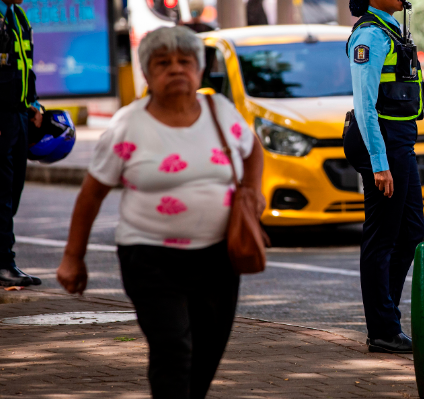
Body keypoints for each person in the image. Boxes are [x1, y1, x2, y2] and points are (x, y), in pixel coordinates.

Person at [55, 26, 266, 398]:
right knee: (172, 348)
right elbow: (91, 195)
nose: (175, 70)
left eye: (185, 62)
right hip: (150, 258)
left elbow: (253, 151)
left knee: (207, 353)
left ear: (199, 70)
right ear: (148, 75)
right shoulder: (127, 125)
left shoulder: (220, 110)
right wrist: (73, 258)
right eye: (163, 63)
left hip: (219, 258)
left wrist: (252, 192)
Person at [341, 0, 424, 355]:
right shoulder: (369, 37)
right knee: (383, 237)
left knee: (409, 232)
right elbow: (365, 107)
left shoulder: (390, 30)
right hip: (383, 141)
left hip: (399, 139)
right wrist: (380, 164)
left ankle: (385, 317)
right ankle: (383, 328)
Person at [0, 0, 44, 287]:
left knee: (13, 191)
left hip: (19, 117)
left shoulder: (19, 16)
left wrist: (35, 103)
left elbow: (23, 65)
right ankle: (2, 264)